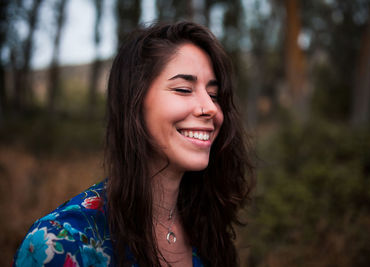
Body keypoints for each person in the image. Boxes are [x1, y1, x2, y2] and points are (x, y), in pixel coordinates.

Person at [13, 21, 253, 267]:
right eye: (183, 89)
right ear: (134, 103)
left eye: (213, 95)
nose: (211, 108)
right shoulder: (59, 245)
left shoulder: (206, 224)